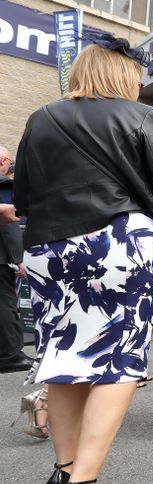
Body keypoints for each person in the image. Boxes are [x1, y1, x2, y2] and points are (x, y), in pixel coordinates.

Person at [14, 33, 153, 484]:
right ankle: (82, 477)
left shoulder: (42, 117)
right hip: (120, 243)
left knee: (63, 359)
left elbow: (25, 195)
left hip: (49, 247)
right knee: (121, 359)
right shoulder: (143, 115)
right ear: (124, 75)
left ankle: (65, 469)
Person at [0, 149, 30, 375]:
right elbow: (9, 226)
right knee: (6, 304)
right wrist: (18, 259)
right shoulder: (4, 186)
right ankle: (12, 355)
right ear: (2, 161)